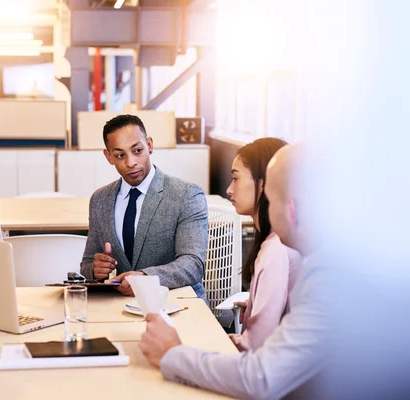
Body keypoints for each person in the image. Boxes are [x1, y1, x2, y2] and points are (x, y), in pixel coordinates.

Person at [139, 145, 330, 399]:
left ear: (291, 210)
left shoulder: (325, 279)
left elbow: (261, 377)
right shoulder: (324, 264)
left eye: (271, 200)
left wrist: (172, 353)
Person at [80, 114, 208, 298]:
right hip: (121, 307)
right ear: (108, 157)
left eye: (137, 150)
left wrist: (145, 278)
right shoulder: (100, 200)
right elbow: (86, 265)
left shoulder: (186, 195)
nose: (131, 162)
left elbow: (193, 264)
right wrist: (95, 269)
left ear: (149, 145)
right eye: (120, 155)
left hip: (177, 303)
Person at [226, 138, 302, 350]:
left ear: (264, 182)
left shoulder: (275, 249)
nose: (229, 190)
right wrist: (255, 305)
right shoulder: (277, 242)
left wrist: (220, 341)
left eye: (235, 179)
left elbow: (256, 346)